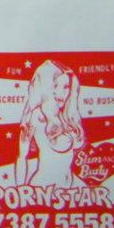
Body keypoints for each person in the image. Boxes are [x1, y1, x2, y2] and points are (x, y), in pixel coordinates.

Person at [15, 59, 86, 188]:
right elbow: (22, 157)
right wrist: (20, 191)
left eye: (66, 87)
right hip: (42, 188)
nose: (61, 93)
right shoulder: (36, 116)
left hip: (66, 191)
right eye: (55, 86)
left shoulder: (68, 116)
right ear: (45, 88)